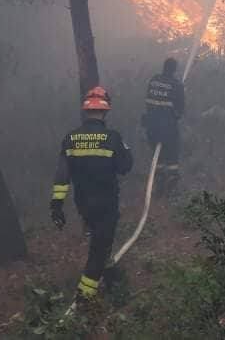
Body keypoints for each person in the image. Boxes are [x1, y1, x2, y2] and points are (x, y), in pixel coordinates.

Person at [50, 85, 133, 303]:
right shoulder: (112, 138)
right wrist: (126, 150)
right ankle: (84, 299)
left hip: (84, 205)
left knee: (100, 242)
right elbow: (125, 168)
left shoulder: (70, 139)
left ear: (86, 111)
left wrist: (56, 205)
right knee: (99, 249)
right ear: (105, 111)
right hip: (106, 204)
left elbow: (62, 175)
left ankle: (113, 280)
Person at [142, 57, 185, 197]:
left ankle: (159, 184)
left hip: (152, 127)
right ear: (174, 69)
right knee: (172, 156)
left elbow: (148, 102)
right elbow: (180, 110)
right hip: (168, 128)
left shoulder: (153, 80)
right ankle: (171, 187)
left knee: (158, 156)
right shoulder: (176, 85)